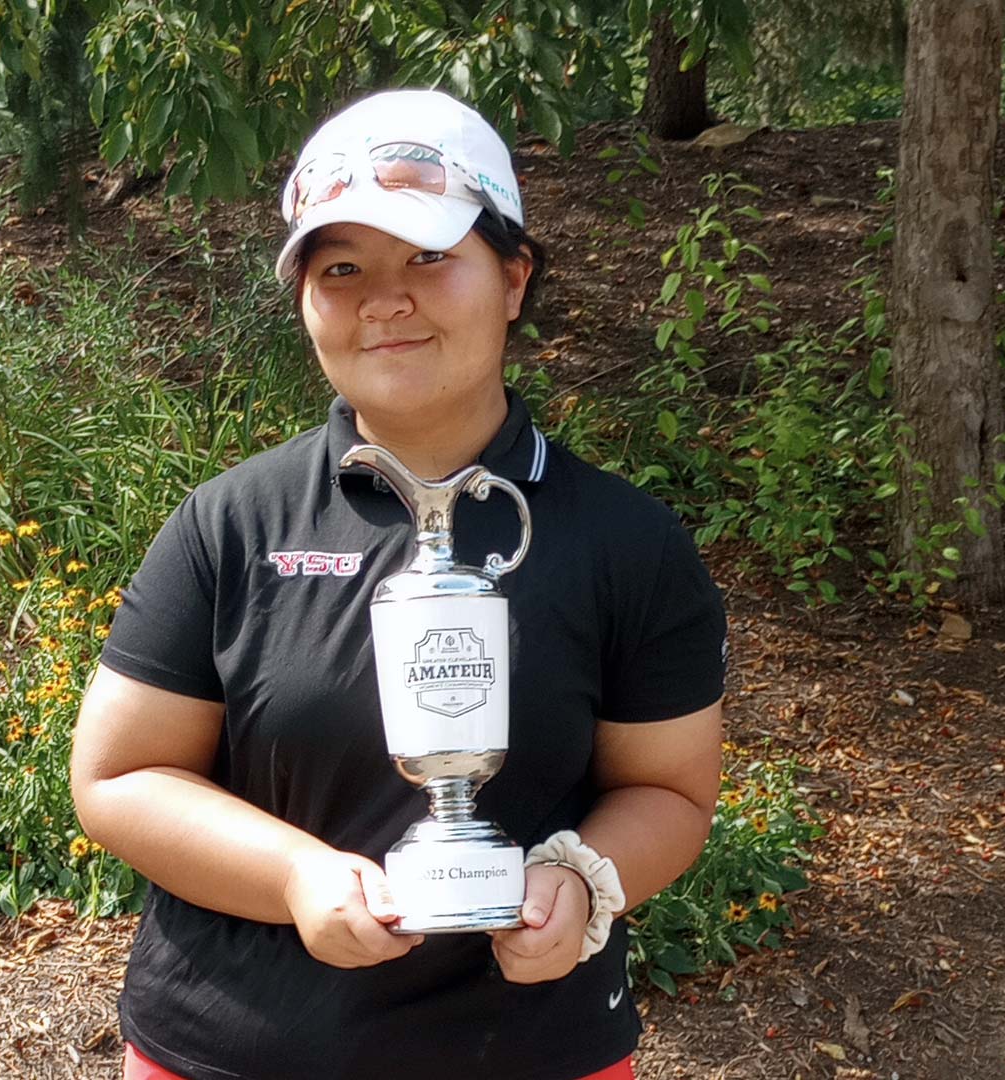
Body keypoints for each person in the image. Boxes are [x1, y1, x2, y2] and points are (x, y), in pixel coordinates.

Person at [71, 88, 728, 1080]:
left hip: (532, 1053)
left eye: (429, 257)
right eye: (342, 268)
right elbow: (118, 778)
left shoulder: (629, 543)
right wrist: (294, 874)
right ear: (303, 299)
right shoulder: (229, 524)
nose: (386, 299)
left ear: (513, 277)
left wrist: (586, 880)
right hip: (228, 1052)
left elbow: (669, 790)